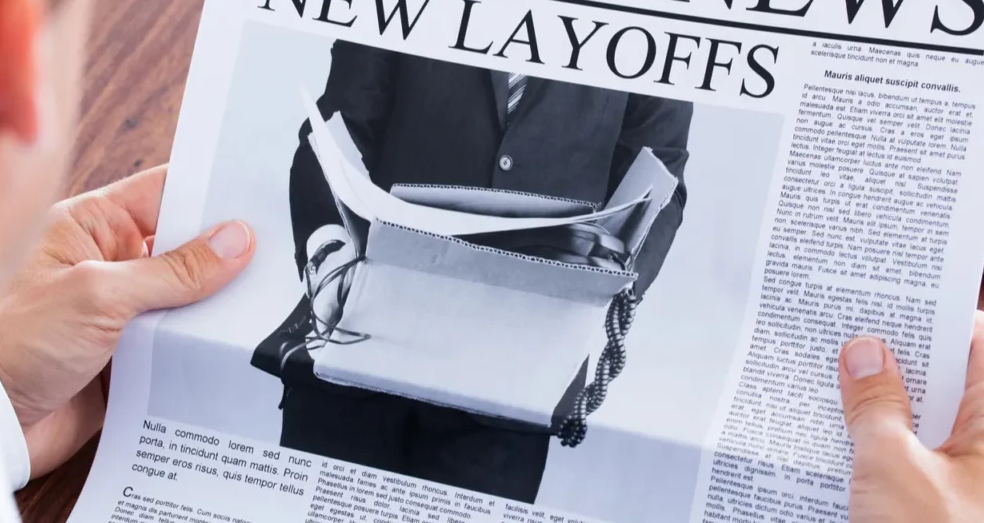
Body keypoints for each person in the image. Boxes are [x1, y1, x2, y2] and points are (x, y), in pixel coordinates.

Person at [0, 0, 984, 522]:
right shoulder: (390, 16)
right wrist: (332, 246)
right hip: (359, 330)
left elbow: (665, 180)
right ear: (2, 30)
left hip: (524, 356)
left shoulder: (652, 53)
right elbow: (327, 137)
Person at [262, 39, 693, 503]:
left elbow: (660, 175)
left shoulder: (656, 28)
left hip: (513, 382)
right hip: (358, 345)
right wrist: (328, 256)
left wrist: (610, 291)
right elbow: (336, 126)